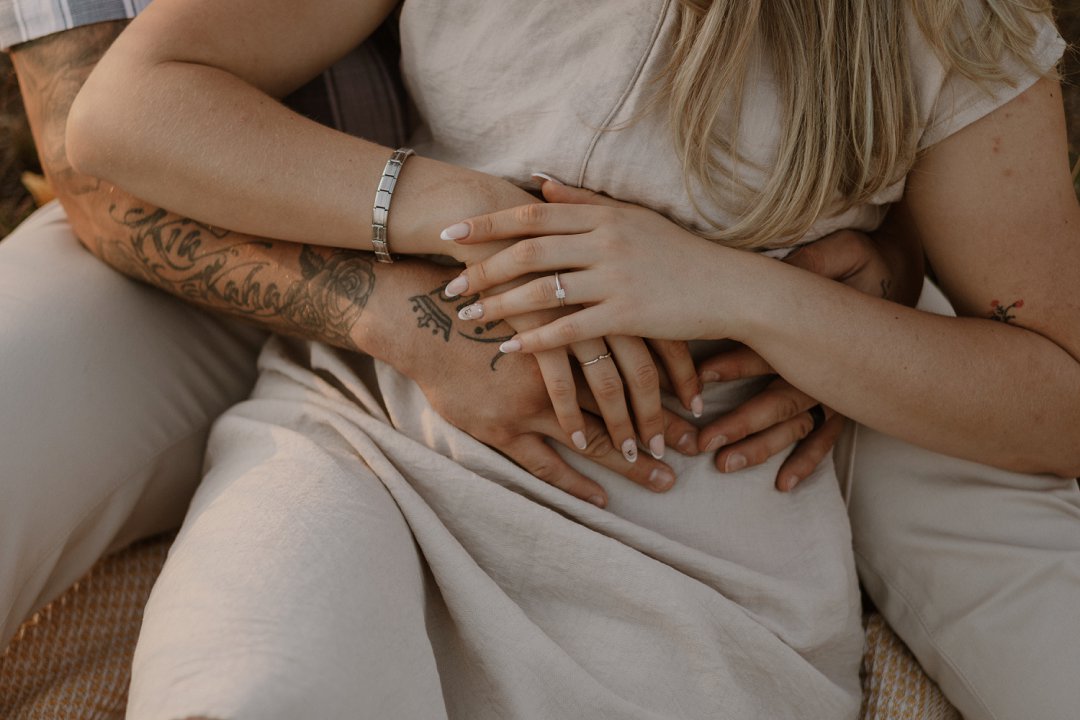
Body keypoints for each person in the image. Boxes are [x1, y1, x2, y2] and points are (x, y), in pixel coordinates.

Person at [3, 2, 1073, 720]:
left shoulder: (947, 25)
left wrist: (747, 292)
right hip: (373, 429)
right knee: (249, 692)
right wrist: (462, 210)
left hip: (694, 515)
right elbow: (118, 113)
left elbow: (1059, 393)